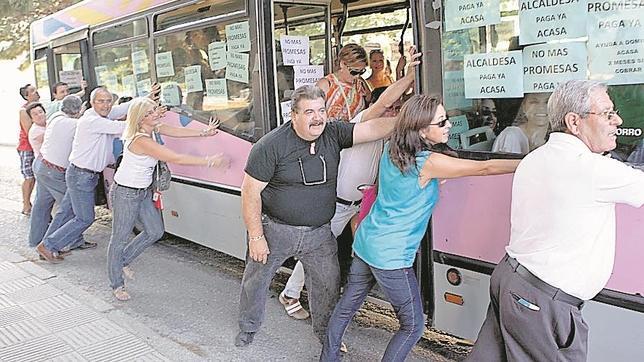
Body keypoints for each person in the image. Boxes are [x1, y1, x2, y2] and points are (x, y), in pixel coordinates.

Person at [321, 95, 519, 362]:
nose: (449, 125)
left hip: (367, 242)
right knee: (413, 326)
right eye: (441, 122)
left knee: (346, 307)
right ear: (421, 129)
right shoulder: (426, 163)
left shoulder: (393, 150)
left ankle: (328, 357)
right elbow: (485, 167)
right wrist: (530, 162)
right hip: (391, 256)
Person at [466, 80, 644, 361]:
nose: (618, 121)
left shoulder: (537, 157)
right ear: (574, 122)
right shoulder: (593, 170)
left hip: (512, 279)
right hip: (541, 300)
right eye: (607, 113)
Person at [235, 85, 399, 348]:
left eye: (321, 110)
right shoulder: (271, 145)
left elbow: (373, 129)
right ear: (294, 115)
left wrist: (412, 118)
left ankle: (327, 337)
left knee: (327, 287)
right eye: (309, 112)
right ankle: (248, 327)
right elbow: (250, 192)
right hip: (276, 230)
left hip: (319, 233)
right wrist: (256, 237)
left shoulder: (333, 133)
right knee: (256, 281)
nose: (318, 117)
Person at [277, 50, 421, 322]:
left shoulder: (387, 138)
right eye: (391, 108)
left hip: (359, 206)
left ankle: (350, 300)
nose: (395, 112)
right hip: (338, 204)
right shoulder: (361, 123)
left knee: (360, 249)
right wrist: (410, 75)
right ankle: (291, 293)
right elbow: (385, 100)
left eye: (398, 109)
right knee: (316, 250)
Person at [107, 98, 228, 301]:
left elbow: (176, 132)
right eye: (152, 111)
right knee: (119, 238)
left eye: (155, 109)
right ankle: (116, 283)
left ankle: (122, 260)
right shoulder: (141, 140)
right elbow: (174, 157)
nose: (157, 113)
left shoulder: (153, 129)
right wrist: (209, 161)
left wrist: (203, 132)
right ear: (141, 118)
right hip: (126, 193)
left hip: (142, 191)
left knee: (155, 231)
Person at [35, 86, 160, 262]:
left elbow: (126, 108)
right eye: (101, 101)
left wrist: (145, 99)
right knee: (85, 218)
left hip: (83, 175)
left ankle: (48, 245)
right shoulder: (92, 120)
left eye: (109, 101)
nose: (106, 105)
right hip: (81, 176)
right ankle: (48, 246)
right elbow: (123, 127)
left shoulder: (103, 114)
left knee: (65, 213)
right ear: (92, 103)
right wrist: (149, 118)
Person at [28, 96, 83, 249]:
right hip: (53, 171)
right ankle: (71, 241)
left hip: (41, 165)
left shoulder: (56, 117)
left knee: (41, 205)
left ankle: (35, 240)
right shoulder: (75, 124)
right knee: (71, 205)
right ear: (79, 110)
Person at [317, 44, 370, 122]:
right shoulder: (325, 85)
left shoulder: (360, 84)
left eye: (362, 72)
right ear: (342, 64)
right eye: (354, 71)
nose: (357, 76)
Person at [17, 84, 40, 215]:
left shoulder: (39, 106)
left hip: (37, 146)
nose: (36, 92)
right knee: (29, 177)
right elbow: (29, 131)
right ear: (26, 96)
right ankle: (26, 204)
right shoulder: (23, 110)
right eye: (32, 91)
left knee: (38, 177)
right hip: (27, 147)